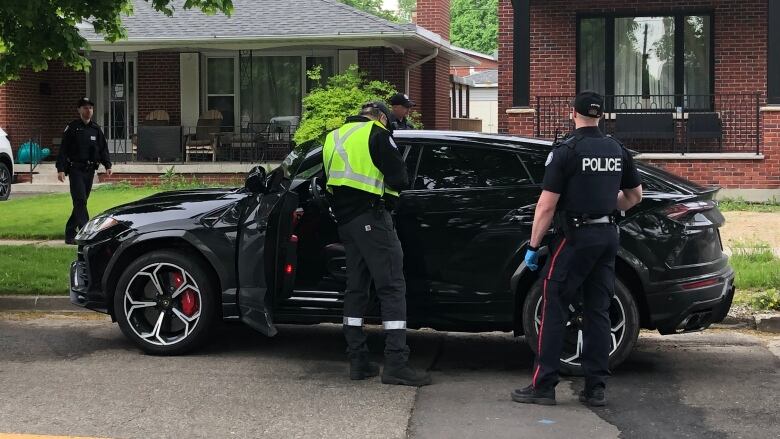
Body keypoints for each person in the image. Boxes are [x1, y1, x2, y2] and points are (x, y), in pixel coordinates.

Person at [510, 91, 643, 407]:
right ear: (601, 116)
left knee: (554, 304)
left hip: (576, 237)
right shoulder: (616, 149)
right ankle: (595, 388)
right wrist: (605, 206)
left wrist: (533, 245)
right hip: (608, 235)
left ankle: (543, 385)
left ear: (573, 114)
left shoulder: (567, 151)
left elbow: (545, 206)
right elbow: (635, 196)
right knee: (598, 309)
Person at [322, 101, 431, 387]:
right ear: (382, 117)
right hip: (372, 217)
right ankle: (396, 362)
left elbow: (327, 183)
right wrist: (389, 201)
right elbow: (399, 178)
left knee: (356, 288)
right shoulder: (377, 133)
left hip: (346, 223)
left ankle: (357, 360)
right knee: (392, 286)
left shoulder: (333, 136)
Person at [56, 97, 112, 245]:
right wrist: (60, 169)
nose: (89, 110)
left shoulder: (96, 129)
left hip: (89, 170)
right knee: (80, 200)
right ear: (79, 110)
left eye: (91, 108)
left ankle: (69, 233)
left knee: (81, 202)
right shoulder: (73, 128)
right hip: (76, 169)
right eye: (85, 108)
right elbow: (63, 149)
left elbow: (103, 148)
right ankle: (87, 233)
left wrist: (108, 165)